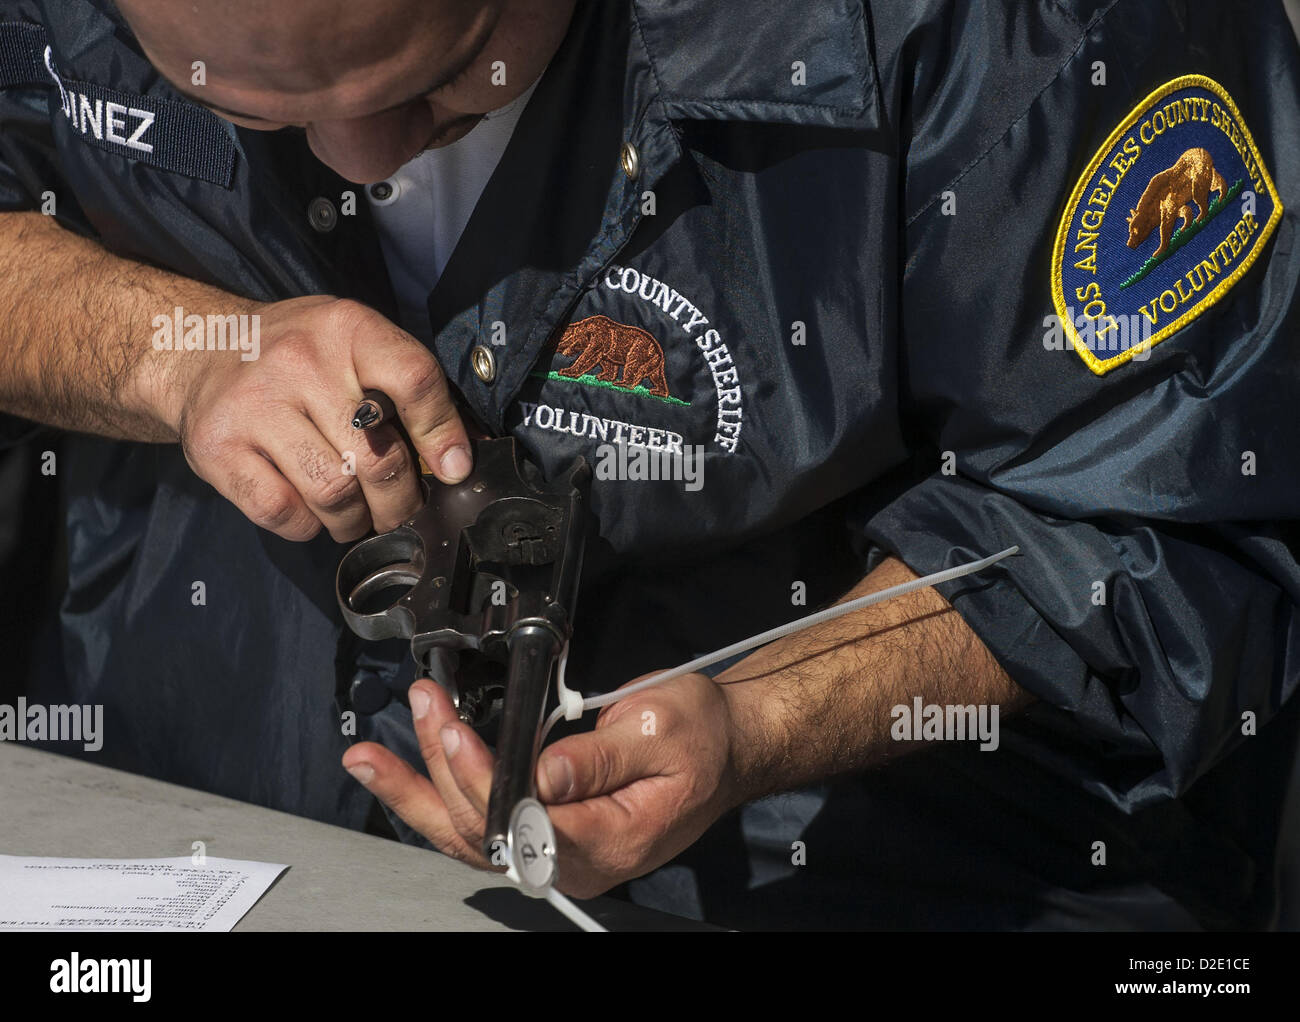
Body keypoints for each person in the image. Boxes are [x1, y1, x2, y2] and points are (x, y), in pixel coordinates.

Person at [2, 0, 1298, 929]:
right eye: (242, 103)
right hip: (167, 836)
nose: (365, 159)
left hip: (854, 880)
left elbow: (1173, 524)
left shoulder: (1030, 29)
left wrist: (765, 713)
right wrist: (171, 352)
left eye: (441, 78)